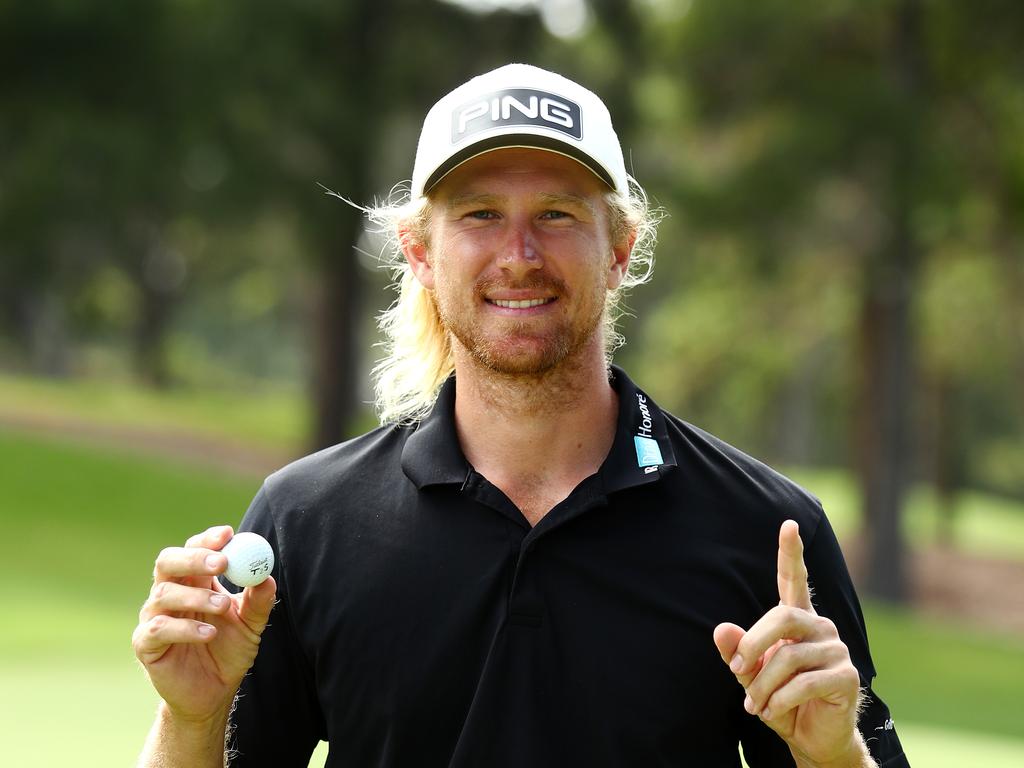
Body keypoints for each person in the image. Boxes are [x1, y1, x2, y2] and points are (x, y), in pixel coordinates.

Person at [133, 64, 909, 767]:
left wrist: (836, 756)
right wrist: (190, 719)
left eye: (558, 215)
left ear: (618, 248)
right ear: (420, 253)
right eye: (478, 214)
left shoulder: (766, 534)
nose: (520, 254)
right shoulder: (307, 520)